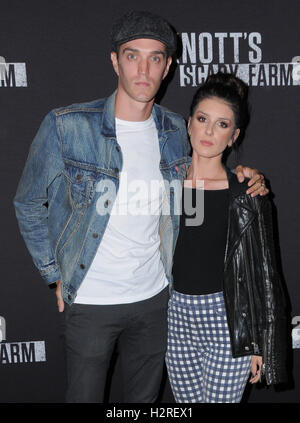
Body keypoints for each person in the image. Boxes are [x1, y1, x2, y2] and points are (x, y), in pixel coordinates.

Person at [13, 11, 267, 403]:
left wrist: (247, 176)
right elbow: (28, 202)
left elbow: (207, 174)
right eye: (132, 56)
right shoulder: (67, 126)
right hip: (92, 303)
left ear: (167, 67)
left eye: (155, 58)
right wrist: (52, 273)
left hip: (157, 303)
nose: (143, 68)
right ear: (115, 61)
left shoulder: (174, 131)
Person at [165, 72, 288, 403]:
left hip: (226, 320)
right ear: (189, 123)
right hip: (175, 320)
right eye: (203, 119)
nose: (208, 131)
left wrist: (259, 342)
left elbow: (264, 272)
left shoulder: (246, 194)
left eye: (221, 125)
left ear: (233, 136)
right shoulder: (167, 186)